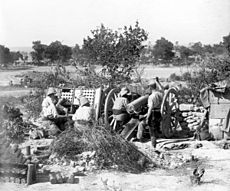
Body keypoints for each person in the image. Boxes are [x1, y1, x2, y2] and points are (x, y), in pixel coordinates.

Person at [136, 78, 164, 148]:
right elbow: (162, 89)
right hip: (159, 112)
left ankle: (150, 144)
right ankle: (155, 141)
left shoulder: (151, 97)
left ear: (150, 87)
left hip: (153, 113)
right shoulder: (160, 93)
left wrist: (147, 117)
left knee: (150, 129)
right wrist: (158, 82)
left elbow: (150, 108)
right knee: (155, 127)